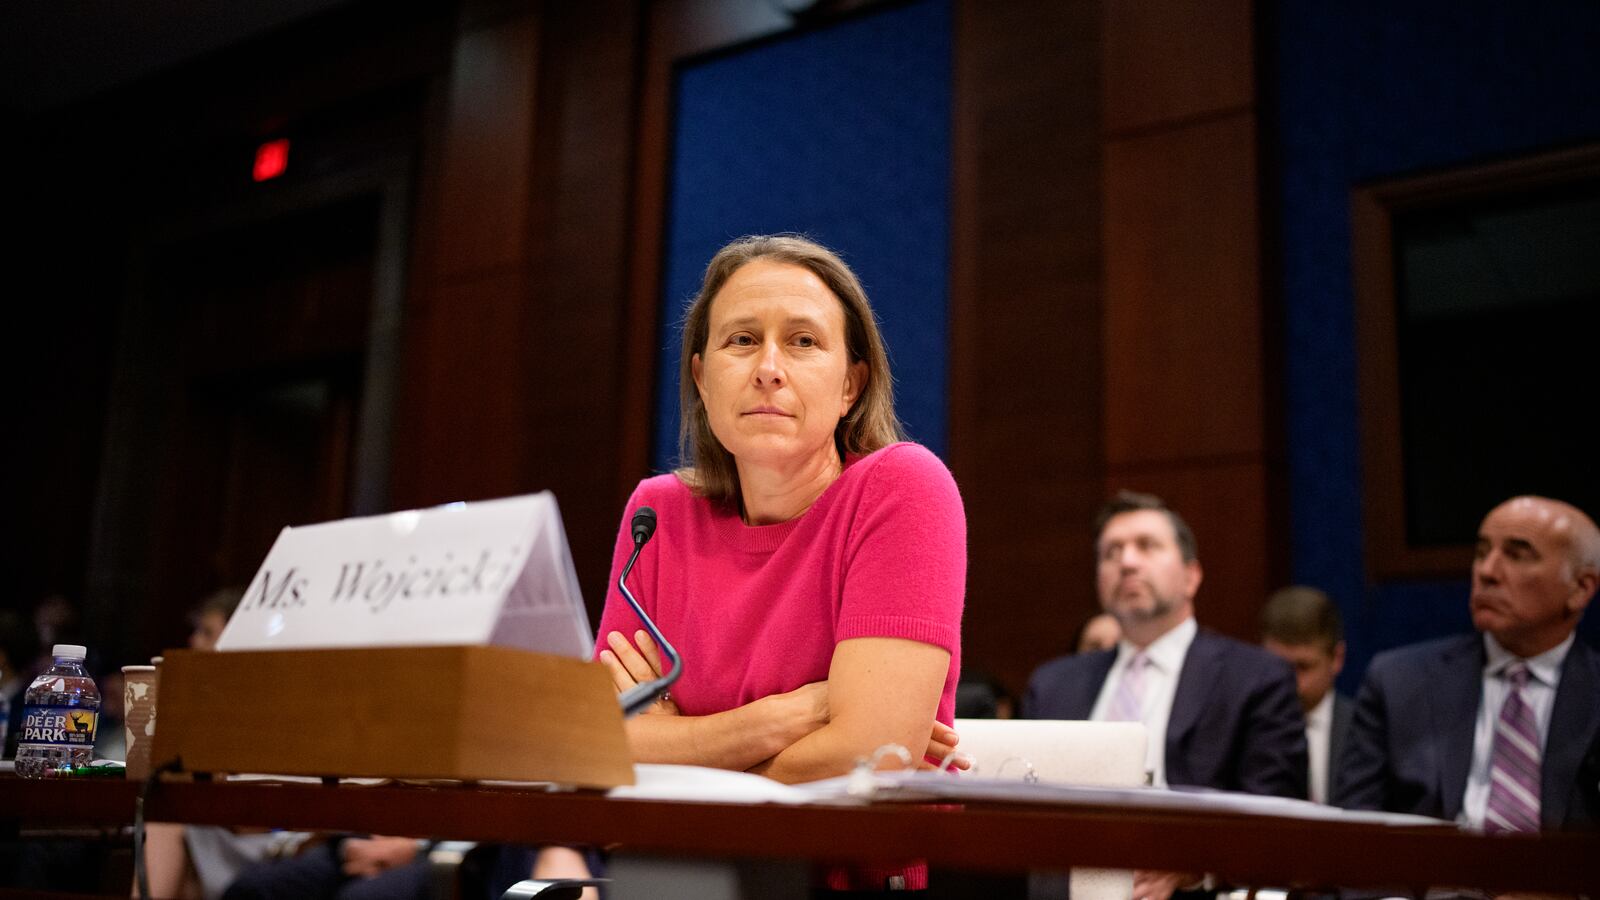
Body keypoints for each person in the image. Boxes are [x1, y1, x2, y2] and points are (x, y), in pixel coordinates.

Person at [597, 234, 967, 891]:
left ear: (851, 384)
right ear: (701, 379)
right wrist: (780, 720)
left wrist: (673, 762)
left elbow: (870, 761)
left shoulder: (902, 489)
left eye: (802, 341)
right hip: (670, 885)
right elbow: (600, 762)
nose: (769, 367)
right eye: (742, 340)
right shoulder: (657, 517)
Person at [1022, 491, 1307, 900]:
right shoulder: (1053, 685)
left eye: (1147, 546)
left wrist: (1191, 866)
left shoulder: (1254, 679)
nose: (1127, 562)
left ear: (1191, 575)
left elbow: (1275, 817)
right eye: (1111, 552)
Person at [1335, 495, 1600, 833]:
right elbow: (1354, 832)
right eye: (1481, 552)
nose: (1487, 572)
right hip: (1428, 867)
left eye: (1518, 555)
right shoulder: (1398, 682)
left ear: (1581, 588)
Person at [1260, 585, 1352, 805]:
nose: (1290, 681)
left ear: (1337, 659)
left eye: (1303, 667)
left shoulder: (1363, 729)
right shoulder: (1241, 729)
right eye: (1278, 666)